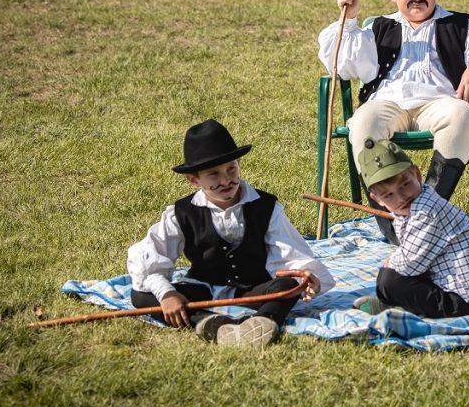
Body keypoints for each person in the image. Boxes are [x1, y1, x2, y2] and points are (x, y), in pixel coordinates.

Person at [317, 0, 469, 243]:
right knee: (362, 125)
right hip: (387, 104)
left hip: (439, 103)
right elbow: (345, 65)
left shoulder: (461, 26)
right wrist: (349, 19)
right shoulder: (378, 27)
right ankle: (392, 225)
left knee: (463, 114)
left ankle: (425, 216)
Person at [127, 119, 335, 346]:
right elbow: (151, 259)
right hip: (202, 289)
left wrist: (304, 276)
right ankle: (209, 323)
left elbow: (291, 256)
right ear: (193, 179)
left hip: (254, 291)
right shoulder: (181, 213)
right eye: (213, 174)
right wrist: (168, 294)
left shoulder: (266, 207)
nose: (226, 180)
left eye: (231, 169)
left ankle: (262, 323)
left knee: (289, 286)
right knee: (141, 295)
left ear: (238, 164)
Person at [352, 137, 469, 317]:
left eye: (405, 185)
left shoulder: (426, 212)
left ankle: (400, 306)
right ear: (377, 199)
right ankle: (401, 303)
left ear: (416, 174)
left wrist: (392, 261)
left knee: (389, 282)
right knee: (397, 277)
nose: (401, 198)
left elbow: (409, 265)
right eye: (389, 195)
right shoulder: (417, 203)